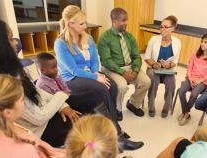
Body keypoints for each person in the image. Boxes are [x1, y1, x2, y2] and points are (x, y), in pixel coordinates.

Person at [54, 5, 143, 150]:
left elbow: (95, 60)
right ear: (70, 23)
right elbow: (73, 70)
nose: (85, 26)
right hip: (71, 79)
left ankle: (113, 126)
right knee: (101, 89)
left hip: (90, 74)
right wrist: (95, 78)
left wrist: (96, 73)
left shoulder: (87, 38)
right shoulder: (61, 43)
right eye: (81, 23)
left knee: (112, 86)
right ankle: (118, 137)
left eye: (85, 22)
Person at [0, 16, 77, 147]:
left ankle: (113, 137)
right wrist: (61, 95)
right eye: (10, 39)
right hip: (38, 129)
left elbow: (38, 92)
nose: (15, 43)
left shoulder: (12, 67)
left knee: (82, 101)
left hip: (44, 112)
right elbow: (38, 118)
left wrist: (63, 105)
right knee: (79, 122)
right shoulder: (1, 83)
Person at [0, 74, 65, 158]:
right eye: (22, 100)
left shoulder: (8, 124)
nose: (24, 103)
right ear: (8, 112)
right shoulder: (20, 150)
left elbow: (47, 149)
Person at [98, 8, 151, 118]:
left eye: (127, 20)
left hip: (130, 67)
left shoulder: (129, 37)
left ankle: (133, 104)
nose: (126, 23)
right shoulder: (104, 37)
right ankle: (117, 109)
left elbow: (137, 56)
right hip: (112, 69)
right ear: (114, 21)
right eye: (123, 20)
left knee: (146, 81)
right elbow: (106, 60)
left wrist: (135, 71)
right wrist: (122, 72)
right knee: (121, 86)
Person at [144, 15, 181, 118]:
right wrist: (154, 64)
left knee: (171, 82)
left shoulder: (177, 42)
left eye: (166, 27)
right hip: (153, 69)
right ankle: (151, 106)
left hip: (167, 70)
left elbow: (175, 61)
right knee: (154, 80)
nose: (162, 29)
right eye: (161, 26)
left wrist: (169, 65)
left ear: (172, 28)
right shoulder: (154, 39)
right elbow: (147, 57)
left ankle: (166, 107)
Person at [177, 33, 207, 125]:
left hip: (202, 82)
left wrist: (199, 81)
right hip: (190, 78)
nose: (202, 44)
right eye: (202, 41)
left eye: (205, 42)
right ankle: (186, 113)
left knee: (194, 94)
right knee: (181, 92)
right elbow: (189, 67)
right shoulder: (195, 54)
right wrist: (190, 78)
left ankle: (185, 113)